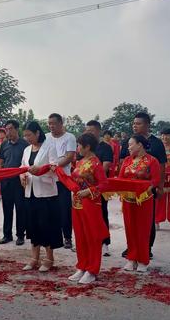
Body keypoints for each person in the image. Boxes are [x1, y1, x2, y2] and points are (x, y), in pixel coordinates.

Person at [120, 112, 166, 258]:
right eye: (134, 123)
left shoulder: (157, 143)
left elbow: (162, 166)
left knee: (147, 219)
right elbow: (123, 162)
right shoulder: (128, 141)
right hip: (130, 190)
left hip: (147, 190)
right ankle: (131, 247)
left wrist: (160, 187)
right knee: (130, 219)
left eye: (138, 123)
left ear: (147, 125)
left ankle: (147, 247)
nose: (135, 126)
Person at [66, 133, 110, 284]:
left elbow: (104, 184)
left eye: (79, 145)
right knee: (80, 236)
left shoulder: (96, 163)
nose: (77, 148)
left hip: (91, 204)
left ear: (87, 147)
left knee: (92, 237)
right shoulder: (79, 162)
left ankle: (92, 269)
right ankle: (82, 266)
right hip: (77, 203)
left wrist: (90, 191)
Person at [20, 121, 62, 272]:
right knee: (32, 226)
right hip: (30, 192)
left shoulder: (49, 147)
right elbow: (22, 167)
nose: (27, 138)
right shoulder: (26, 150)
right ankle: (34, 258)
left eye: (29, 135)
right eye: (24, 135)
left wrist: (41, 171)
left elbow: (54, 167)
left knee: (46, 226)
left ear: (37, 133)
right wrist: (23, 176)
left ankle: (49, 258)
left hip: (46, 194)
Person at [119, 134, 161, 272]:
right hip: (128, 200)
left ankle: (143, 259)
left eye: (131, 144)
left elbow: (155, 180)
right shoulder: (126, 160)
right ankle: (131, 258)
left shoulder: (152, 161)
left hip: (144, 200)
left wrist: (146, 191)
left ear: (140, 145)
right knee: (130, 228)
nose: (128, 147)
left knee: (142, 229)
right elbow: (120, 178)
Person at [47, 113, 77, 249]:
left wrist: (55, 166)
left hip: (63, 179)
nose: (51, 126)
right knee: (51, 209)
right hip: (48, 179)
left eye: (54, 123)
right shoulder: (46, 137)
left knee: (65, 209)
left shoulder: (69, 137)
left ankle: (67, 237)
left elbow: (69, 157)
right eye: (49, 123)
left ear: (61, 123)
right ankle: (53, 236)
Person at [85, 120, 113, 257]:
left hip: (99, 187)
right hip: (85, 188)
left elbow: (106, 166)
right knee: (87, 215)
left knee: (101, 213)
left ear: (98, 131)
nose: (89, 133)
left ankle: (104, 243)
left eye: (91, 131)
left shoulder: (105, 147)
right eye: (87, 130)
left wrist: (91, 176)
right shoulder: (85, 147)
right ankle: (90, 241)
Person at [0, 120, 28, 245]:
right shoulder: (4, 145)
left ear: (17, 129)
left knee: (20, 208)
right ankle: (7, 235)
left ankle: (20, 235)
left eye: (11, 129)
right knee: (7, 208)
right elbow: (0, 162)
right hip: (6, 181)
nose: (8, 132)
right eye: (7, 129)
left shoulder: (25, 145)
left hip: (19, 181)